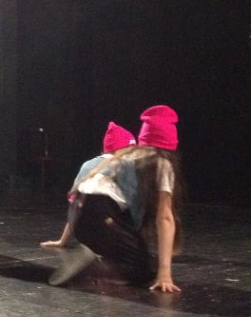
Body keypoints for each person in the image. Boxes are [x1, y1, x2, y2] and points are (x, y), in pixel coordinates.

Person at [48, 105, 184, 293]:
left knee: (139, 259)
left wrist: (64, 240)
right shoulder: (161, 163)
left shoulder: (124, 154)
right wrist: (165, 273)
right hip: (102, 212)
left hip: (79, 216)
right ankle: (94, 269)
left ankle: (100, 262)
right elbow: (165, 218)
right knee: (144, 270)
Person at [40, 121, 136, 249]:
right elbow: (134, 205)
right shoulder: (125, 165)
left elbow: (75, 206)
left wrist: (62, 241)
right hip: (110, 232)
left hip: (83, 233)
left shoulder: (87, 165)